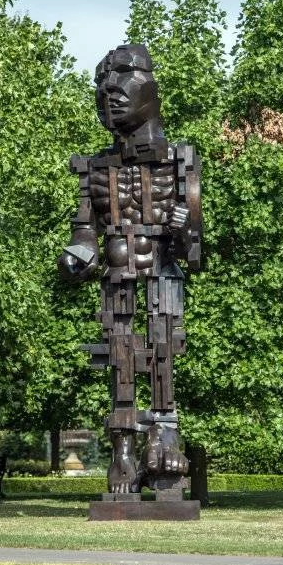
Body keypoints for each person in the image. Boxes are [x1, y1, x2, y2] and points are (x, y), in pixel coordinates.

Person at [56, 44, 200, 496]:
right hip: (116, 275)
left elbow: (196, 252)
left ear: (151, 90)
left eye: (122, 78)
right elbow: (84, 230)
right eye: (102, 83)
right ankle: (122, 447)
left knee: (162, 350)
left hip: (164, 272)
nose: (109, 91)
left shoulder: (181, 161)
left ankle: (163, 438)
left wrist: (183, 229)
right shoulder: (93, 167)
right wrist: (78, 255)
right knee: (120, 354)